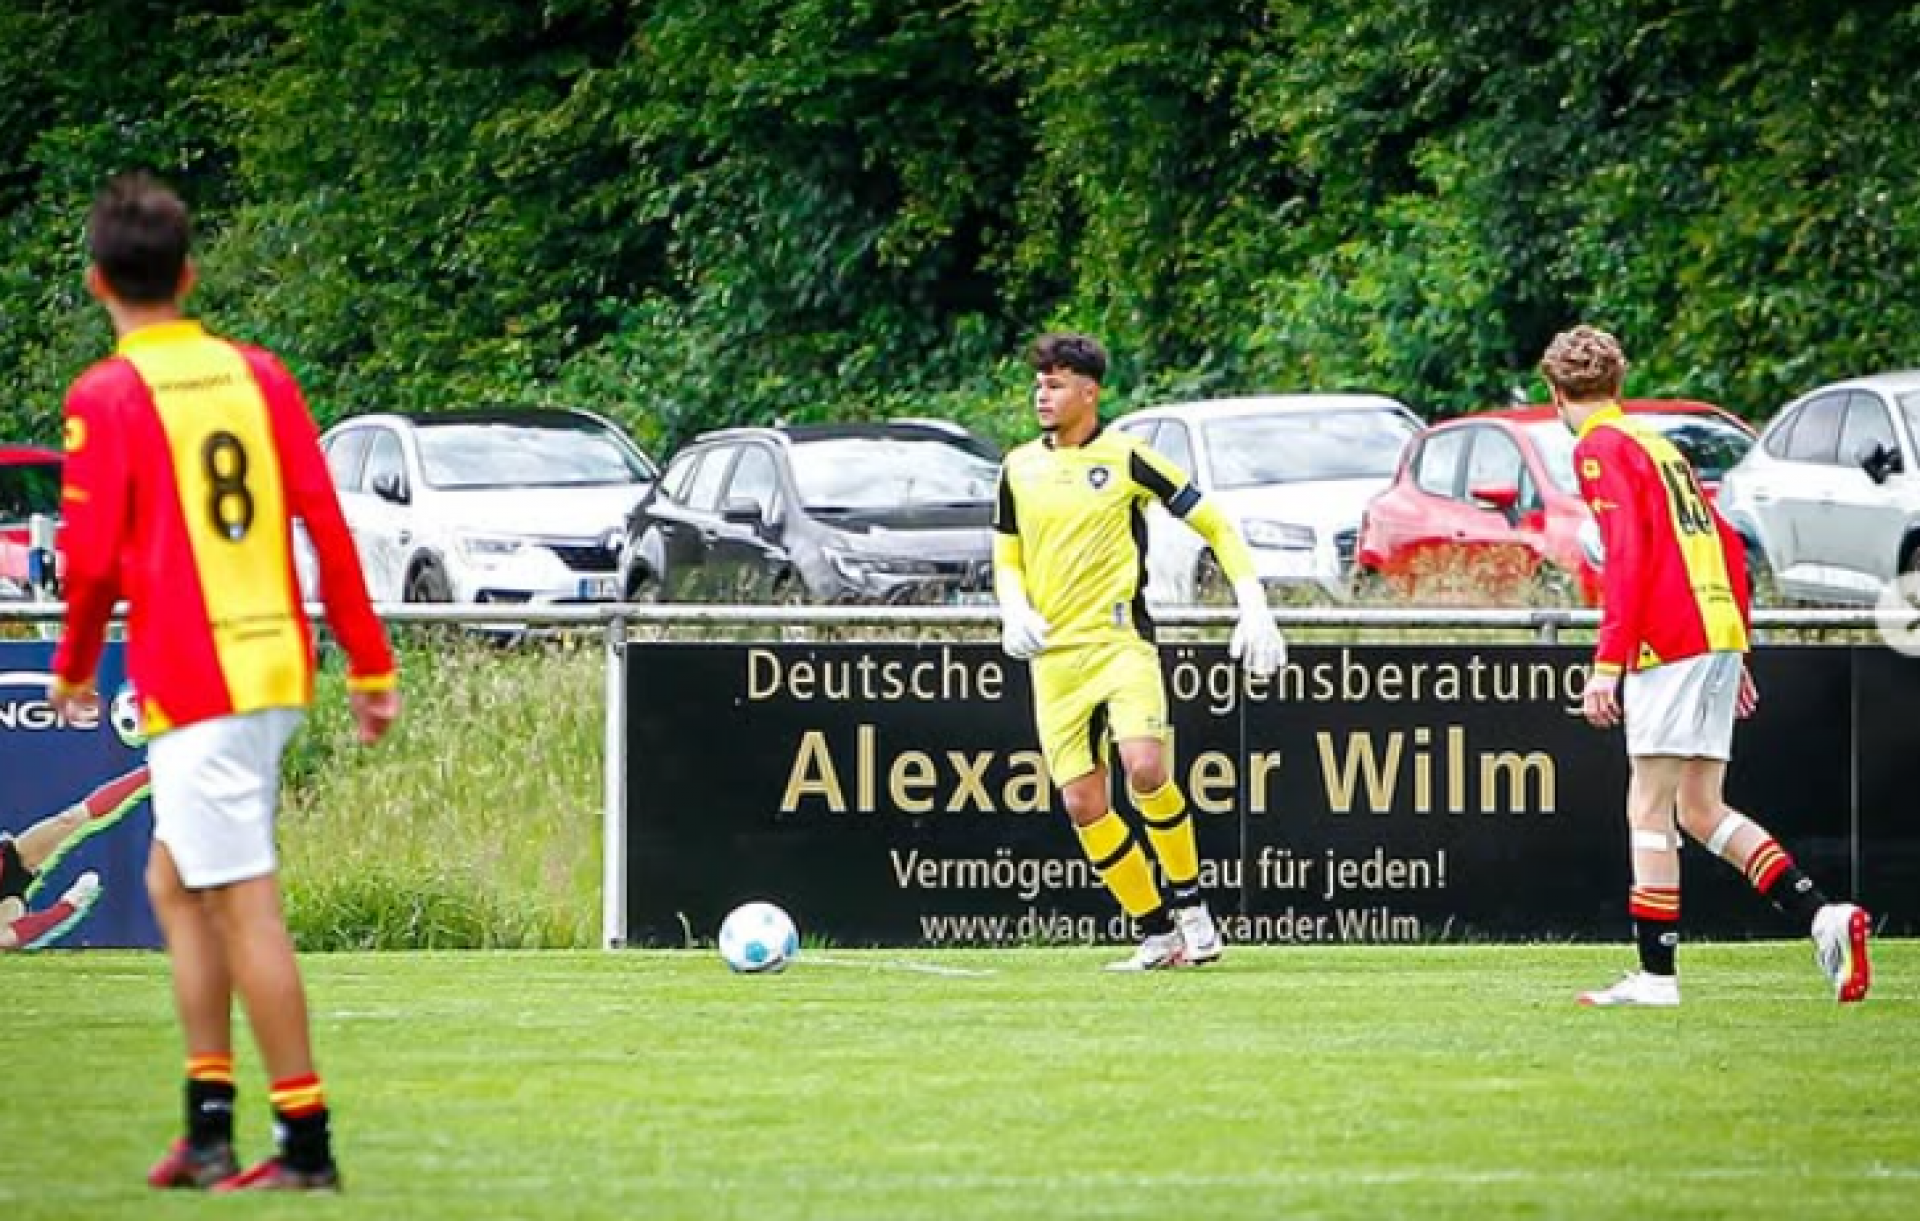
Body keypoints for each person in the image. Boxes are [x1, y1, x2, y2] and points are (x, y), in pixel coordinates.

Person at [46, 172, 401, 1191]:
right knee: (174, 880)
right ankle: (207, 1125)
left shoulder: (106, 395)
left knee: (242, 903)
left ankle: (305, 1141)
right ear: (191, 274)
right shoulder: (259, 375)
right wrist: (368, 664)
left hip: (200, 680)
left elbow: (96, 560)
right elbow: (324, 528)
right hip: (272, 664)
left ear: (95, 282)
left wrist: (73, 669)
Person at [1543, 324, 1870, 1007]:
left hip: (1669, 638)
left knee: (1648, 802)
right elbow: (1724, 541)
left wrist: (1609, 663)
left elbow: (1627, 553)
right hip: (1711, 631)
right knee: (1699, 806)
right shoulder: (1657, 444)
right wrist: (1735, 645)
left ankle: (1656, 976)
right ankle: (1823, 916)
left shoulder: (1599, 447)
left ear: (1555, 393)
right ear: (1619, 384)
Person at [993, 333, 1286, 971]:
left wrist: (1252, 600)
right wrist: (1012, 607)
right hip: (1055, 661)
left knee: (1145, 767)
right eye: (1040, 382)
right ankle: (1156, 931)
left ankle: (1194, 910)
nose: (1044, 393)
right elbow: (1007, 554)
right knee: (1081, 803)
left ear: (1090, 392)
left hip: (1120, 642)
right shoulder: (1017, 467)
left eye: (1058, 382)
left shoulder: (1128, 458)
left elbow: (1211, 519)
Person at [0, 766, 150, 951]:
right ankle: (69, 906)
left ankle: (148, 772)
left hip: (8, 865)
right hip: (5, 899)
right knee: (4, 940)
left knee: (68, 820)